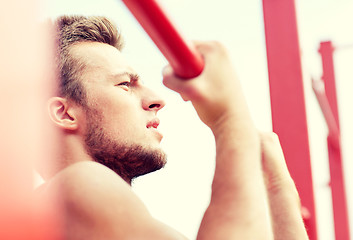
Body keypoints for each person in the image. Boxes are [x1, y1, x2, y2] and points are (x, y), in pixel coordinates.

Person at [37, 15, 308, 240]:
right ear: (64, 113)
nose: (156, 99)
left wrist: (278, 187)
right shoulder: (76, 185)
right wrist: (230, 118)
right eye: (124, 85)